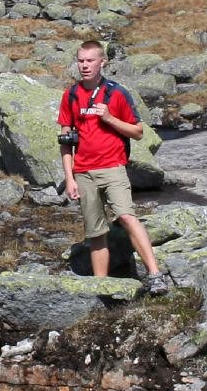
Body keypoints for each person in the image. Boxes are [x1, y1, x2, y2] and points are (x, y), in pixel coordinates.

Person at [57, 39, 173, 293]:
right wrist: (70, 177)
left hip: (112, 167)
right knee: (95, 232)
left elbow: (138, 132)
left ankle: (155, 275)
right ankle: (102, 288)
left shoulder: (117, 93)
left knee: (126, 216)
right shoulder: (71, 95)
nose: (85, 66)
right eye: (81, 61)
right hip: (83, 172)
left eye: (90, 61)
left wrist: (109, 118)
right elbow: (66, 141)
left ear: (102, 62)